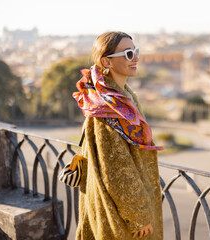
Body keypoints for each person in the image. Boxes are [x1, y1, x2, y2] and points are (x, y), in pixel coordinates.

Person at [73, 31, 164, 239]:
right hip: (121, 214)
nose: (136, 58)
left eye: (136, 51)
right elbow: (115, 167)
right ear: (107, 61)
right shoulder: (108, 107)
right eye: (128, 54)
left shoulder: (118, 97)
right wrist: (138, 215)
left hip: (119, 205)